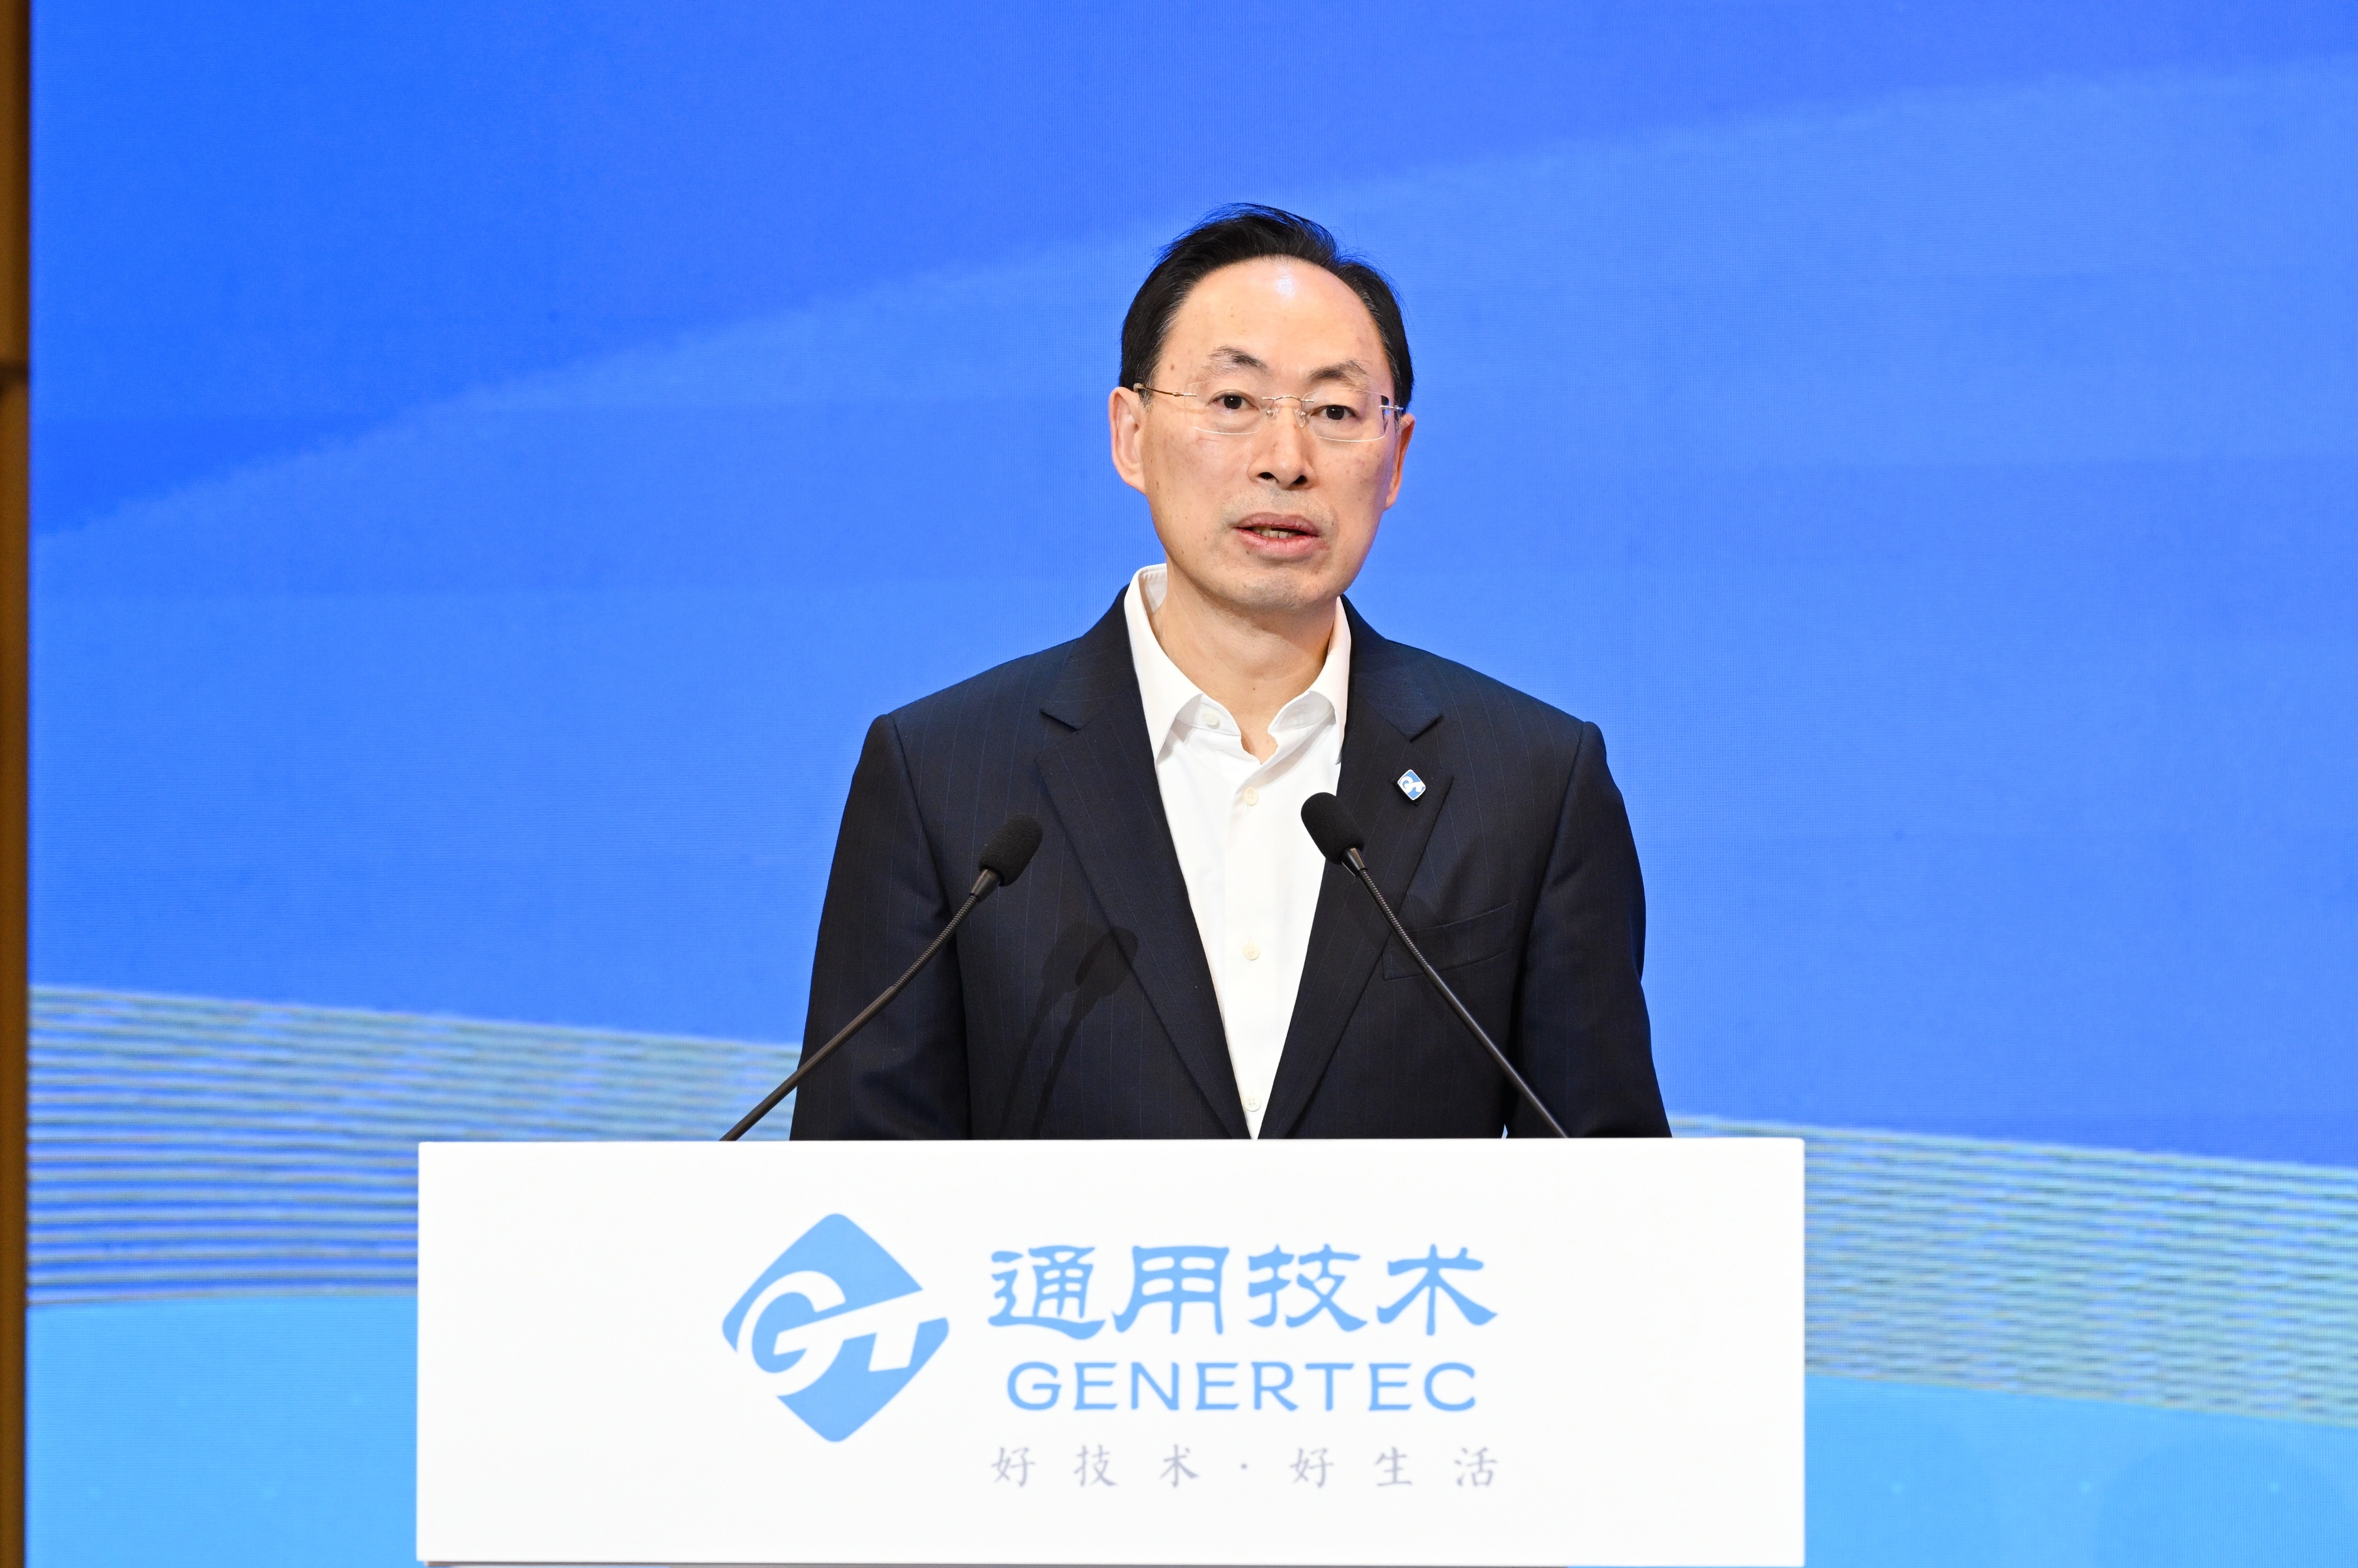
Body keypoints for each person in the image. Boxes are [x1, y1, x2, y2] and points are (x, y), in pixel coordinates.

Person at [789, 205, 1668, 1140]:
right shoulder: (944, 777)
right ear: (1130, 435)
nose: (1285, 462)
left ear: (1396, 458)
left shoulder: (1531, 784)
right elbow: (855, 1183)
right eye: (1234, 403)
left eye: (1335, 413)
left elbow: (1608, 1190)